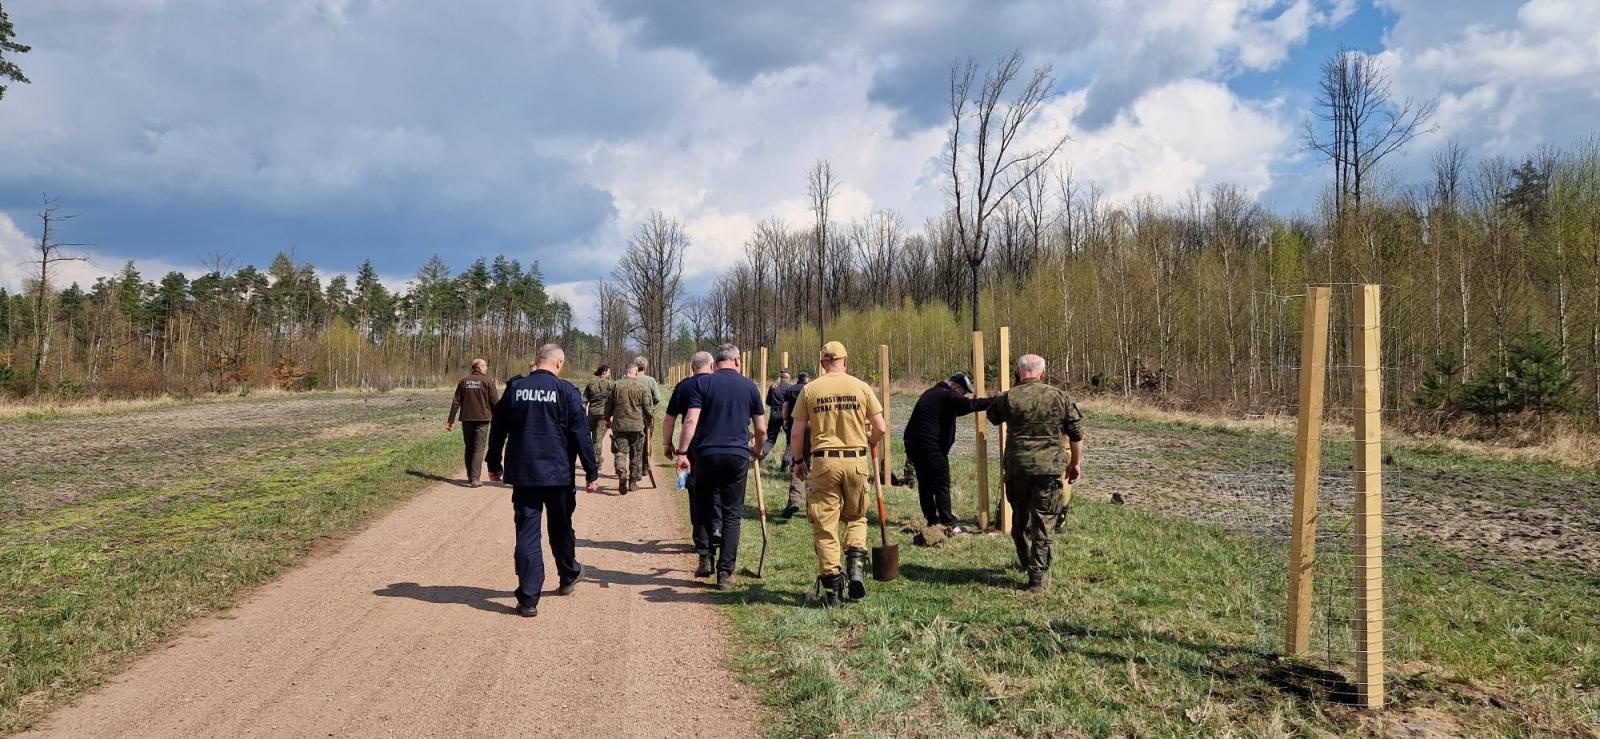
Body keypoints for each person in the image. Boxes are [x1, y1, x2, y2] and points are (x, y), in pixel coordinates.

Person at [485, 344, 599, 617]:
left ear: (536, 361)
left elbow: (498, 427)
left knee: (527, 532)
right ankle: (568, 574)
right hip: (558, 474)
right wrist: (591, 472)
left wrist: (493, 462)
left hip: (525, 473)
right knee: (560, 528)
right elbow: (581, 434)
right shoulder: (566, 391)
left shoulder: (515, 389)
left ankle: (528, 598)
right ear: (559, 363)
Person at [789, 342, 886, 606]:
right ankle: (855, 564)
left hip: (824, 463)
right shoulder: (861, 387)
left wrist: (798, 460)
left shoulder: (811, 389)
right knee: (856, 516)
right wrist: (869, 440)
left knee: (825, 525)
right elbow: (881, 427)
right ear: (846, 360)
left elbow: (797, 433)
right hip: (856, 461)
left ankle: (833, 589)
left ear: (822, 363)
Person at [983, 354, 1084, 593]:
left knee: (1019, 518)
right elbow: (1076, 433)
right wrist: (1075, 464)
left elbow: (992, 416)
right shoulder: (1059, 397)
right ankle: (1036, 577)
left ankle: (1025, 557)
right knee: (1044, 522)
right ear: (1043, 373)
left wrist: (1003, 395)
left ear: (1018, 372)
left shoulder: (1009, 397)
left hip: (1018, 468)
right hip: (1048, 469)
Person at [676, 344, 766, 588]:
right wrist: (757, 450)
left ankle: (705, 558)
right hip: (737, 455)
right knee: (731, 515)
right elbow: (761, 428)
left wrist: (683, 452)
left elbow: (691, 420)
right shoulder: (750, 386)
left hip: (706, 454)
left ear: (715, 365)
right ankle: (725, 573)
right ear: (738, 362)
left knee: (705, 506)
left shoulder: (703, 384)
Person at [903, 372, 992, 531]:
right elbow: (969, 405)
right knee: (941, 483)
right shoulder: (948, 394)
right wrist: (994, 401)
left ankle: (931, 520)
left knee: (925, 483)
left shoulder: (933, 393)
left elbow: (960, 410)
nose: (963, 396)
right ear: (957, 387)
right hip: (929, 446)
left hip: (914, 444)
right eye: (963, 393)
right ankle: (947, 523)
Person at [663, 352, 717, 573]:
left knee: (696, 495)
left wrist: (668, 444)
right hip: (719, 444)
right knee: (718, 494)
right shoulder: (718, 383)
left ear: (692, 367)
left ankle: (701, 542)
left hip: (693, 447)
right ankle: (717, 533)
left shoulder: (684, 386)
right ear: (711, 366)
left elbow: (669, 419)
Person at [446, 358, 500, 487]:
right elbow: (495, 402)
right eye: (485, 366)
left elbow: (456, 402)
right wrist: (499, 419)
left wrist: (450, 420)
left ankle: (470, 476)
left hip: (467, 419)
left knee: (469, 448)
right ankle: (475, 479)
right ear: (480, 367)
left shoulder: (463, 381)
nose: (486, 368)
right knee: (478, 450)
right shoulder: (487, 381)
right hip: (483, 420)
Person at [605, 361, 654, 494]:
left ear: (625, 372)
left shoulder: (616, 385)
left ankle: (621, 472)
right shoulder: (641, 387)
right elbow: (648, 408)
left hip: (619, 426)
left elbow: (608, 405)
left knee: (620, 453)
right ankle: (632, 483)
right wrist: (650, 420)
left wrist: (607, 419)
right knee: (636, 455)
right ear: (636, 372)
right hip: (637, 426)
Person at [777, 370, 810, 518]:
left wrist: (784, 421)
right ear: (807, 379)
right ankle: (812, 505)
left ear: (798, 379)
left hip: (794, 427)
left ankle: (794, 500)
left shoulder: (791, 389)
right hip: (810, 429)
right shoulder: (811, 389)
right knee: (809, 466)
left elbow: (785, 407)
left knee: (797, 463)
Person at [760, 368, 793, 461]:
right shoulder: (790, 388)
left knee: (770, 439)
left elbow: (768, 402)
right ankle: (786, 461)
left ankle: (758, 457)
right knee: (791, 440)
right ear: (789, 377)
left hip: (774, 414)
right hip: (785, 415)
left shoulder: (773, 386)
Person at [583, 365, 613, 453]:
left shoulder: (591, 383)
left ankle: (594, 458)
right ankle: (595, 462)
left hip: (592, 413)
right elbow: (613, 400)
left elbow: (584, 399)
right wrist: (612, 415)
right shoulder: (610, 384)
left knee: (593, 437)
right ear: (604, 372)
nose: (609, 374)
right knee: (598, 439)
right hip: (603, 414)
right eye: (609, 372)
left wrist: (583, 412)